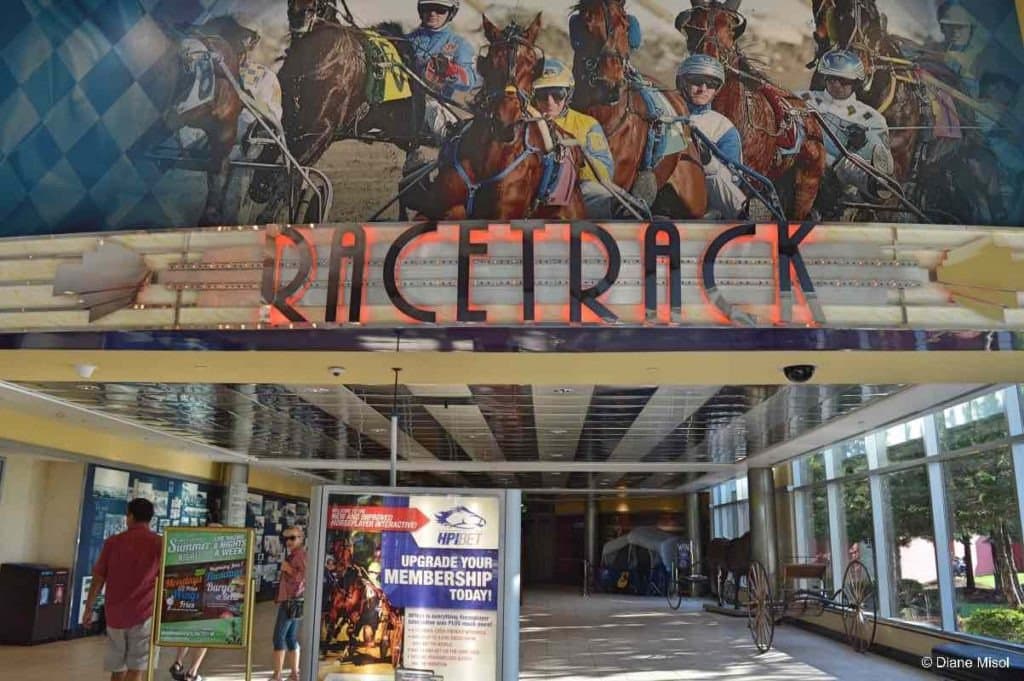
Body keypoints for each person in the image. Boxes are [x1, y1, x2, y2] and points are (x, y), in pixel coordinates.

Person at [797, 50, 894, 211]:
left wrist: (863, 145)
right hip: (800, 169)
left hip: (841, 187)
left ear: (856, 83)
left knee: (851, 168)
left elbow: (880, 164)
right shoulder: (802, 99)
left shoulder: (871, 119)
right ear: (824, 78)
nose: (836, 85)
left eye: (843, 81)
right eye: (832, 79)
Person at [82, 498, 163, 681]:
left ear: (130, 516)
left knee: (117, 668)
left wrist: (89, 608)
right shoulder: (159, 543)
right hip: (145, 614)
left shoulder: (113, 542)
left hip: (115, 616)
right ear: (150, 519)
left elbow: (98, 578)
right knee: (136, 669)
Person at [531, 58, 619, 218]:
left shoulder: (587, 124)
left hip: (575, 190)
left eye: (558, 94)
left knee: (598, 193)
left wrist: (573, 161)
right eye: (542, 95)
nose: (550, 102)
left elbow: (605, 172)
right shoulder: (525, 124)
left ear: (568, 95)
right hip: (533, 192)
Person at [403, 0, 477, 169]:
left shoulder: (460, 44)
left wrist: (451, 71)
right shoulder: (405, 40)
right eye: (427, 8)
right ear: (420, 10)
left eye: (440, 9)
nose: (433, 13)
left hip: (436, 105)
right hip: (405, 105)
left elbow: (470, 80)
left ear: (451, 13)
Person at [675, 55, 747, 219]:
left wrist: (708, 161)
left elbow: (733, 179)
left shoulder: (724, 127)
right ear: (682, 83)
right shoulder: (668, 115)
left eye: (711, 84)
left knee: (715, 176)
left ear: (717, 90)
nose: (703, 88)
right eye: (696, 81)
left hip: (709, 196)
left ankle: (743, 216)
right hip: (671, 184)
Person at [169, 521, 223, 681]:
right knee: (205, 635)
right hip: (209, 598)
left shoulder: (195, 549)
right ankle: (192, 673)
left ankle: (178, 662)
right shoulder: (221, 553)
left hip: (191, 596)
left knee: (188, 631)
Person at [272, 526, 307, 681]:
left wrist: (289, 569)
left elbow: (304, 576)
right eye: (286, 538)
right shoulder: (295, 554)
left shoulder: (299, 555)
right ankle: (294, 673)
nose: (288, 541)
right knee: (291, 637)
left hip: (291, 601)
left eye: (292, 538)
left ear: (301, 538)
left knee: (278, 637)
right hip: (295, 600)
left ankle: (277, 675)